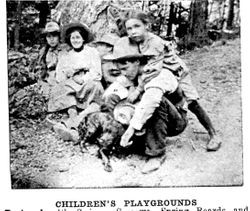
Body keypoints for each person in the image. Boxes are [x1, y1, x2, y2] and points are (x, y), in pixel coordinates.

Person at [113, 10, 221, 151]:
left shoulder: (155, 43)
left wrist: (139, 89)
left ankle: (213, 133)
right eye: (129, 29)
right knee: (156, 98)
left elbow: (153, 70)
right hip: (159, 73)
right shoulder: (135, 42)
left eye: (136, 26)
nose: (133, 32)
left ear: (146, 25)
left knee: (191, 101)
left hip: (176, 72)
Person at [102, 50, 188, 174]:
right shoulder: (132, 74)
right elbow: (108, 93)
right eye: (121, 70)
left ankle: (157, 153)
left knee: (155, 103)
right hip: (151, 117)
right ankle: (135, 142)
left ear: (137, 62)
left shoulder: (159, 74)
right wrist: (119, 94)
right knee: (113, 98)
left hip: (175, 121)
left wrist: (130, 129)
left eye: (125, 68)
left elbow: (150, 103)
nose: (123, 73)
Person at [48, 22, 104, 141]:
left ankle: (76, 121)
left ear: (83, 39)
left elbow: (97, 72)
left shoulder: (92, 52)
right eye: (73, 38)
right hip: (72, 83)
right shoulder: (66, 55)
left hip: (88, 81)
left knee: (96, 87)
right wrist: (69, 75)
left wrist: (82, 78)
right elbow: (59, 74)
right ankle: (73, 117)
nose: (75, 40)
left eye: (78, 37)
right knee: (61, 88)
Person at [34, 21, 66, 97]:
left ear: (58, 36)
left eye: (54, 36)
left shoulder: (65, 49)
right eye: (49, 36)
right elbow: (40, 69)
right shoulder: (44, 51)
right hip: (48, 81)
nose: (51, 39)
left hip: (62, 79)